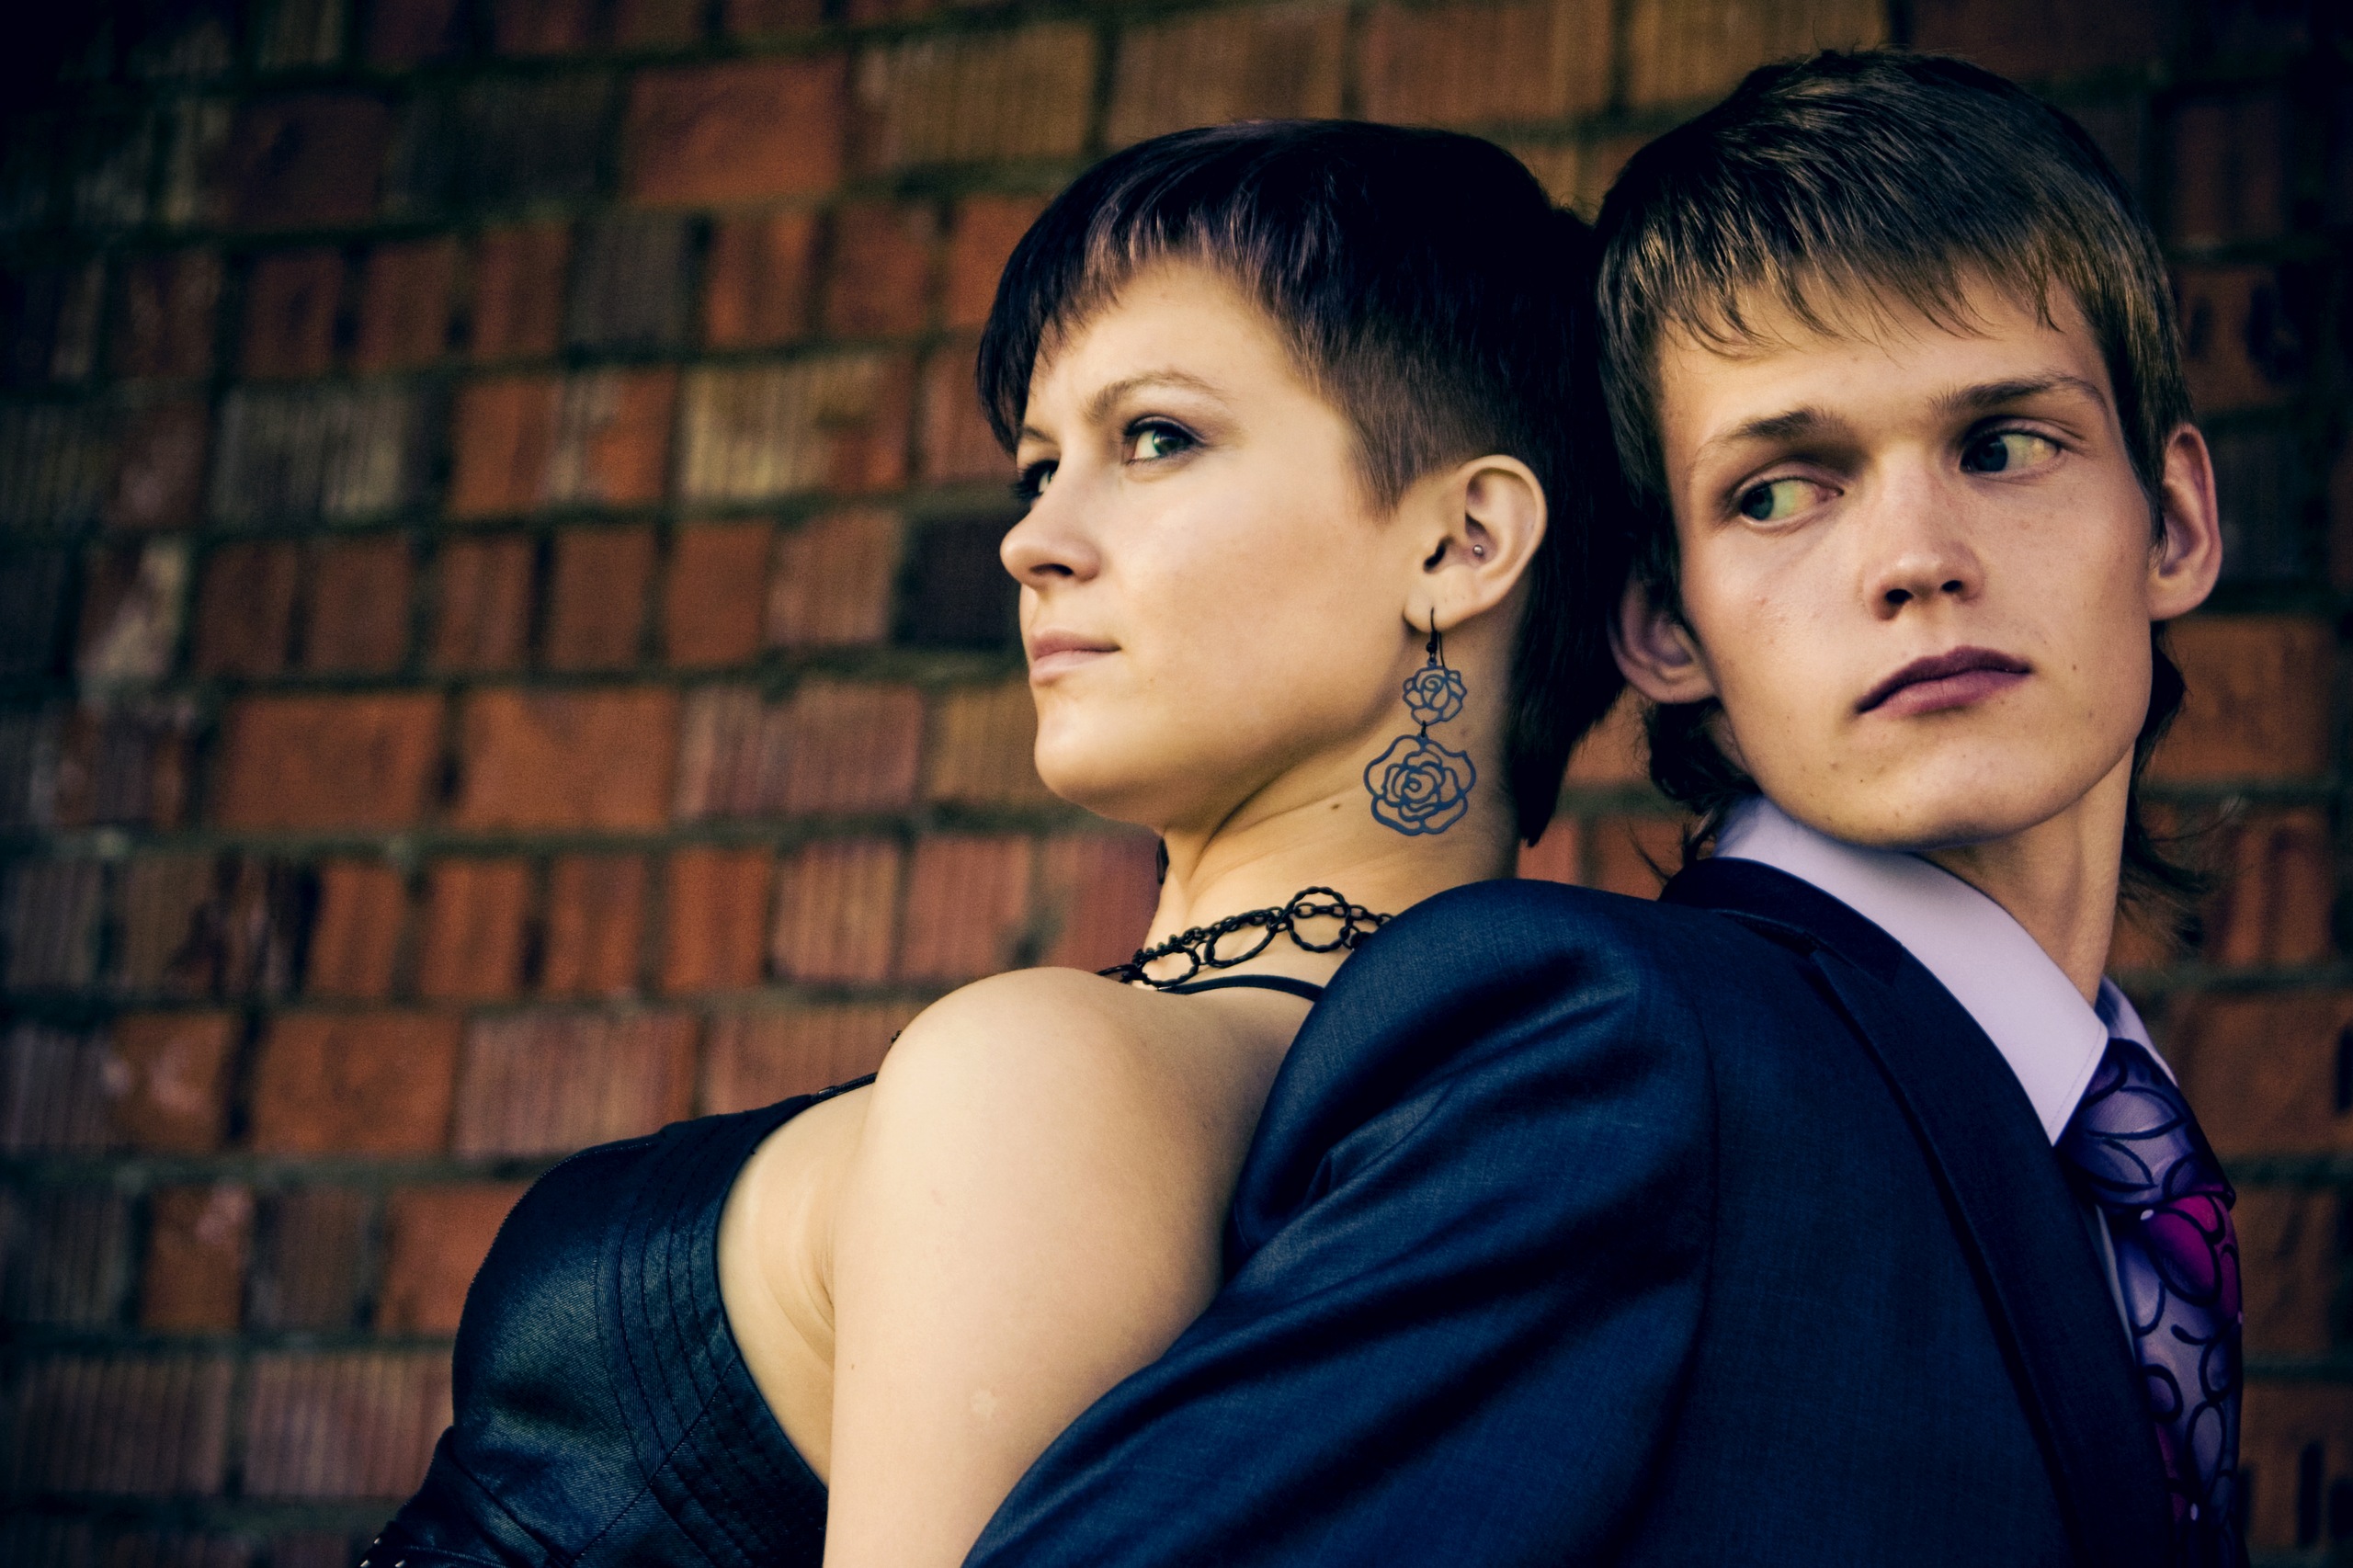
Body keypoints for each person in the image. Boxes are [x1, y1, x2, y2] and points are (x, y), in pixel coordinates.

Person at [963, 52, 2239, 1568]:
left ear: (2173, 522)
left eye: (2003, 444)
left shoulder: (2122, 1147)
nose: (1917, 557)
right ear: (1664, 622)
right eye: (1779, 488)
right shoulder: (1609, 1050)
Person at [369, 120, 1625, 1568]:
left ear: (1462, 542)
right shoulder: (1486, 1137)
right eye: (1038, 467)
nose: (1034, 540)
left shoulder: (1049, 1082)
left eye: (1156, 438)